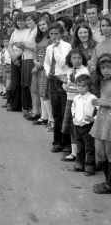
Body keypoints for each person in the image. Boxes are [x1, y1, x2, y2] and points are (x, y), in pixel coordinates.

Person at [44, 22, 72, 153]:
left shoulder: (66, 46)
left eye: (56, 34)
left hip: (63, 79)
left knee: (65, 111)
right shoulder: (49, 48)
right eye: (51, 34)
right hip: (53, 79)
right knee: (56, 113)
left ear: (61, 34)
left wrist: (56, 48)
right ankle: (57, 141)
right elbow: (46, 63)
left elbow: (63, 62)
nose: (54, 36)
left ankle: (66, 143)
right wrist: (48, 72)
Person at [61, 49, 90, 163]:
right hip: (70, 100)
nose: (77, 60)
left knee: (80, 129)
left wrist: (74, 84)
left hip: (80, 102)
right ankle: (74, 153)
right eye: (74, 58)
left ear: (83, 59)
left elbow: (84, 88)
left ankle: (81, 154)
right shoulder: (69, 70)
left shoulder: (84, 71)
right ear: (70, 59)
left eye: (79, 58)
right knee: (72, 129)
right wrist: (65, 83)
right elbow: (67, 88)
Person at [90, 54, 111, 194]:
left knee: (110, 152)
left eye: (109, 67)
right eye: (103, 68)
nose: (106, 70)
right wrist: (97, 101)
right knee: (100, 151)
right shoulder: (102, 81)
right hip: (102, 117)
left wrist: (107, 103)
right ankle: (107, 179)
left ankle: (109, 184)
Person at [71, 74, 97, 176]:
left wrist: (93, 119)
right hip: (77, 125)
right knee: (80, 146)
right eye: (78, 85)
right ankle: (79, 164)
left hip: (87, 126)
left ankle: (90, 166)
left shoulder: (92, 98)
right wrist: (73, 115)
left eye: (83, 86)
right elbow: (73, 107)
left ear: (89, 87)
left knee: (89, 147)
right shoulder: (76, 98)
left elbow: (99, 110)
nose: (80, 88)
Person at [30, 17, 54, 126]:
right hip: (38, 64)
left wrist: (38, 66)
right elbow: (35, 50)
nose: (42, 27)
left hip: (45, 67)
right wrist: (35, 61)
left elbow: (48, 54)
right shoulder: (39, 37)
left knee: (45, 93)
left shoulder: (51, 37)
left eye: (44, 24)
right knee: (40, 91)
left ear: (48, 24)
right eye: (40, 25)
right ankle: (44, 117)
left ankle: (50, 118)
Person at [7, 12, 30, 112]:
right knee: (15, 82)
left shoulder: (29, 31)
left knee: (24, 83)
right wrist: (13, 56)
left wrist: (16, 56)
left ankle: (26, 107)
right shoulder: (15, 31)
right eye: (18, 20)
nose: (20, 22)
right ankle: (15, 105)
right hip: (14, 57)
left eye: (22, 20)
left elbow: (27, 46)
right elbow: (9, 45)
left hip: (23, 57)